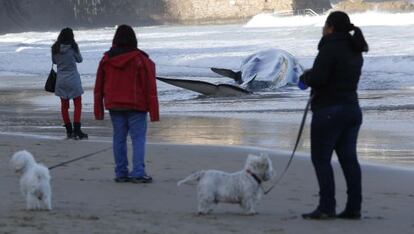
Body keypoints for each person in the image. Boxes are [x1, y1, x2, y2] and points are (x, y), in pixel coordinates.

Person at [299, 11, 369, 220]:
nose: (322, 29)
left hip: (329, 111)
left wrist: (305, 77)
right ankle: (354, 207)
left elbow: (320, 77)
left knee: (321, 159)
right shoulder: (355, 48)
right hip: (352, 110)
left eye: (324, 25)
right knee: (349, 161)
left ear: (330, 27)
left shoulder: (329, 46)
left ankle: (327, 206)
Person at [94, 25, 159, 183]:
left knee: (119, 138)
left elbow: (98, 87)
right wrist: (154, 113)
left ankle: (121, 172)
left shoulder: (106, 59)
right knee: (138, 139)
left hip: (115, 105)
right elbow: (150, 87)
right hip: (136, 105)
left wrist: (99, 111)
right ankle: (138, 172)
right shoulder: (141, 59)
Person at [52, 28, 88, 140]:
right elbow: (80, 60)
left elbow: (54, 61)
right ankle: (77, 130)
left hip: (61, 80)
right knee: (78, 104)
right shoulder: (73, 47)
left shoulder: (55, 48)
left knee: (64, 106)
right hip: (73, 79)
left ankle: (69, 131)